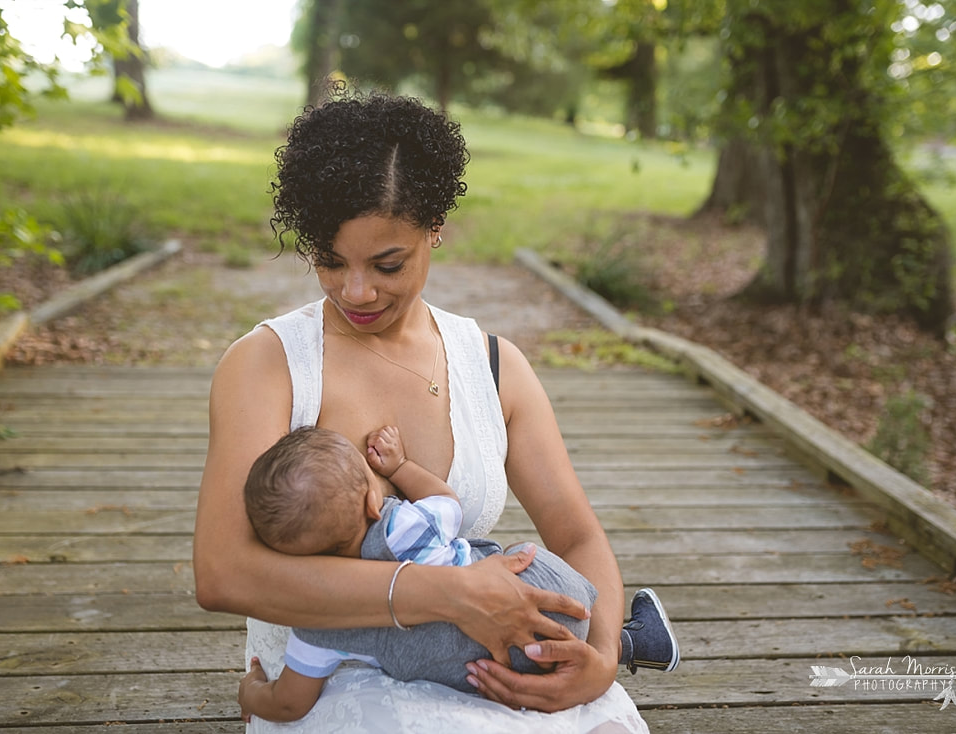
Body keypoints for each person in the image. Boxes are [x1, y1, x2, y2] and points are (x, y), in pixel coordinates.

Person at [193, 88, 658, 732]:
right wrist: (450, 594)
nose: (355, 291)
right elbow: (222, 574)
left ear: (434, 227)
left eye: (388, 264)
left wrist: (602, 656)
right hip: (333, 675)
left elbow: (576, 536)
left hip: (493, 665)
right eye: (329, 261)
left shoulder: (494, 368)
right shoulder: (267, 364)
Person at [237, 425, 679, 723]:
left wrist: (253, 691)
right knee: (523, 553)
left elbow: (290, 702)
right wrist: (400, 468)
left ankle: (628, 643)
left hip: (486, 675)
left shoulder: (318, 619)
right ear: (373, 503)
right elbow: (448, 501)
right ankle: (627, 641)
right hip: (549, 607)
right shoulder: (403, 527)